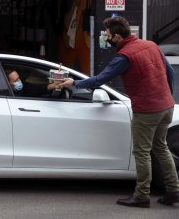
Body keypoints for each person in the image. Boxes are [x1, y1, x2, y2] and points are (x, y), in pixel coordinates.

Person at [60, 16, 179, 208]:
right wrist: (167, 95)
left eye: (107, 34)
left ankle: (142, 195)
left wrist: (75, 83)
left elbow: (101, 79)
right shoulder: (151, 45)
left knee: (142, 152)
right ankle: (173, 191)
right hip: (166, 106)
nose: (106, 37)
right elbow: (170, 72)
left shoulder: (125, 57)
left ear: (116, 36)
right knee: (161, 148)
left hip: (147, 110)